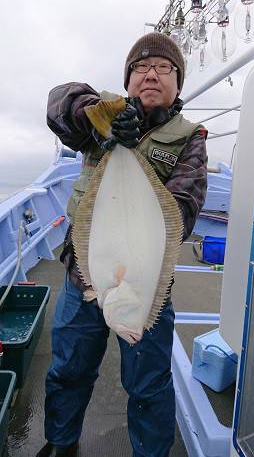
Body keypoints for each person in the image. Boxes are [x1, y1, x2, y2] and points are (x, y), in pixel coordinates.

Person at [37, 32, 207, 457]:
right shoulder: (101, 113)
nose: (151, 73)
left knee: (149, 384)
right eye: (141, 67)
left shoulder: (191, 139)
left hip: (147, 285)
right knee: (67, 371)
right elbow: (60, 101)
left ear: (177, 83)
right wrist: (102, 122)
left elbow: (184, 206)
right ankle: (61, 444)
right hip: (84, 276)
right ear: (129, 79)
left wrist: (139, 174)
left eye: (163, 67)